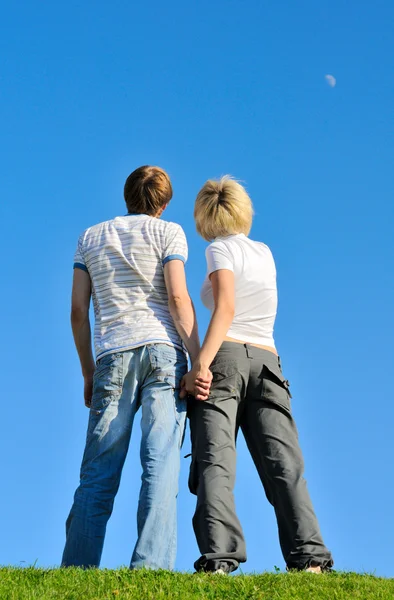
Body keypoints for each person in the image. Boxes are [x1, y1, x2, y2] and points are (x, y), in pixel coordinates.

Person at [182, 176, 334, 574]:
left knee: (216, 462)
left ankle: (219, 558)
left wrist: (201, 364)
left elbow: (226, 307)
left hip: (226, 357)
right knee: (285, 465)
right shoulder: (264, 251)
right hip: (268, 362)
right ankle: (311, 558)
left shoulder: (218, 250)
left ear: (205, 214)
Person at [62, 165, 210, 570]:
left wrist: (88, 372)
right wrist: (198, 360)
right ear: (163, 203)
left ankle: (77, 568)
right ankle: (150, 566)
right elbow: (179, 300)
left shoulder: (89, 238)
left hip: (111, 355)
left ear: (127, 197)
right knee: (159, 460)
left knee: (99, 468)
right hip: (163, 351)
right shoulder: (168, 233)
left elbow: (78, 311)